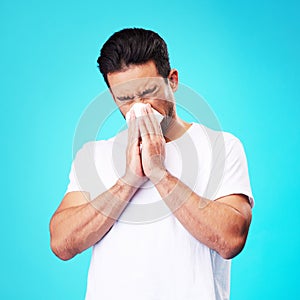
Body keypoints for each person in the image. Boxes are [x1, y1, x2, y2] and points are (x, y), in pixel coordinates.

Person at [50, 28, 254, 300]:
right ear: (113, 98)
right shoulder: (93, 155)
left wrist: (159, 173)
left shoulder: (222, 147)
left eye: (147, 92)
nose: (138, 108)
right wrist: (129, 180)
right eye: (125, 99)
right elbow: (62, 244)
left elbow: (230, 240)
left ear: (172, 81)